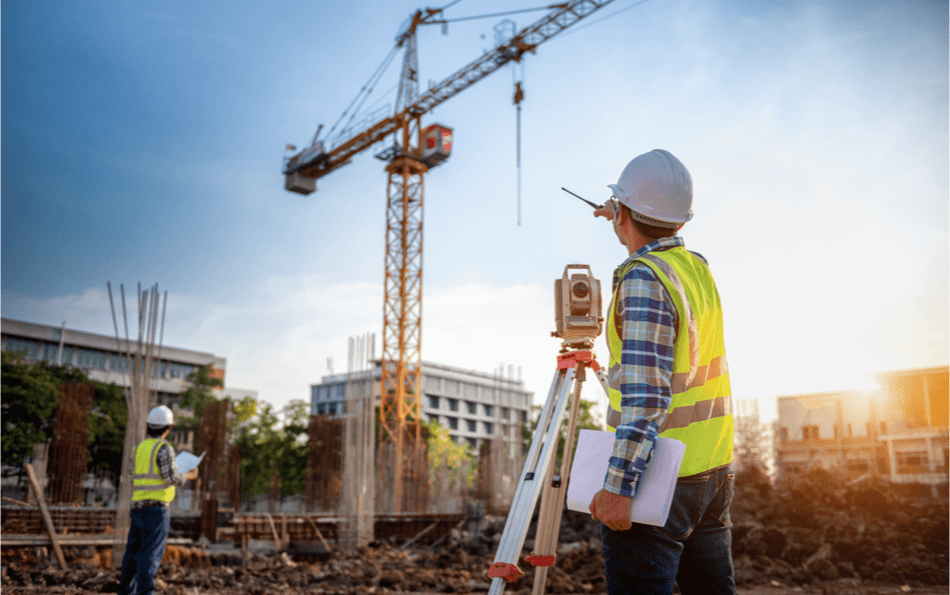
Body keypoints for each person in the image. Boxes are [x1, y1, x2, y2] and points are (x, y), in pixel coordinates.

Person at [588, 149, 736, 595]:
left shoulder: (643, 279)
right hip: (711, 469)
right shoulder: (695, 269)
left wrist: (617, 486)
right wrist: (624, 213)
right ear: (681, 220)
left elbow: (647, 396)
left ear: (625, 215)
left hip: (659, 479)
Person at [118, 405, 199, 595]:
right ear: (167, 428)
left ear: (148, 426)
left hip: (137, 507)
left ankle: (125, 593)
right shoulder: (164, 448)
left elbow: (132, 475)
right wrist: (188, 475)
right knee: (150, 555)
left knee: (132, 554)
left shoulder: (138, 449)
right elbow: (170, 478)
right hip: (156, 510)